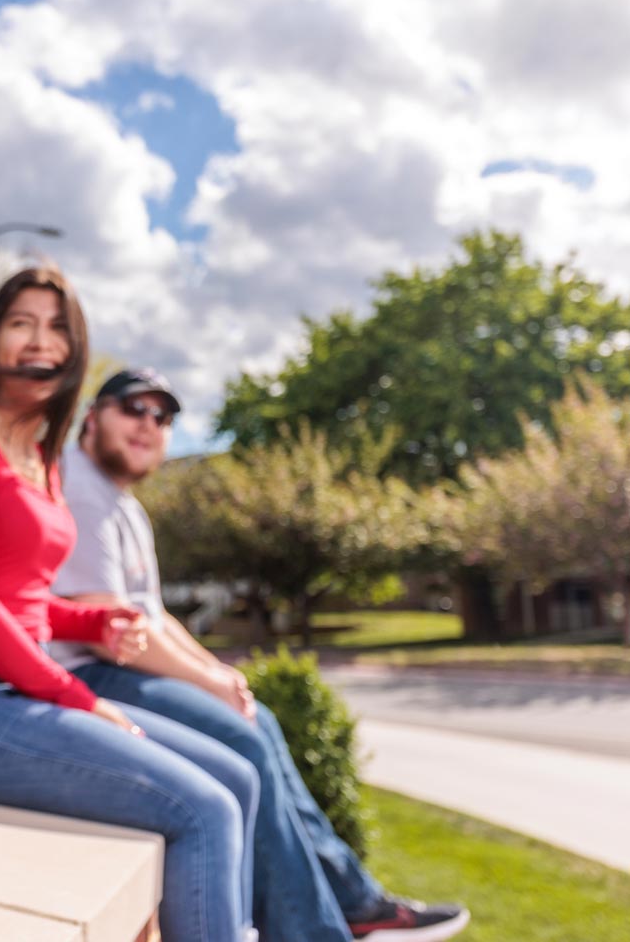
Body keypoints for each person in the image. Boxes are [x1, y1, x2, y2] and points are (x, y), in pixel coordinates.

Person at [53, 368, 472, 942]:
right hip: (88, 673)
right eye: (134, 408)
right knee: (246, 739)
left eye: (164, 416)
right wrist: (207, 679)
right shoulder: (79, 487)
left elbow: (156, 616)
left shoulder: (123, 503)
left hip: (121, 665)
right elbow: (110, 626)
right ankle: (322, 926)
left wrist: (216, 673)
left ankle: (354, 900)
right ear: (93, 416)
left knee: (259, 721)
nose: (149, 425)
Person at [0, 267, 260, 942]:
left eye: (57, 327)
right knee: (206, 809)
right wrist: (79, 696)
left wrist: (95, 620)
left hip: (26, 684)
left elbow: (28, 599)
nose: (40, 340)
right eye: (22, 323)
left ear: (74, 352)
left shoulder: (42, 458)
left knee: (239, 775)